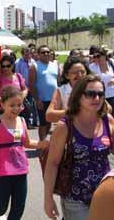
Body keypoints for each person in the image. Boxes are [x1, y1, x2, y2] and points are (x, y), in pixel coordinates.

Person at [44, 75, 113, 220]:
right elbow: (52, 163)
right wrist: (48, 199)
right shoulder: (65, 126)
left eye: (100, 94)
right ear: (79, 96)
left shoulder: (108, 121)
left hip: (104, 194)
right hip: (75, 198)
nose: (96, 98)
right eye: (90, 94)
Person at [0, 86, 48, 220]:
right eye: (12, 105)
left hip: (20, 170)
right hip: (1, 171)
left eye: (19, 105)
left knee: (18, 209)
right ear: (2, 104)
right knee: (0, 208)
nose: (16, 108)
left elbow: (26, 143)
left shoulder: (22, 121)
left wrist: (45, 144)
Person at [46, 56, 90, 122]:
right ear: (67, 75)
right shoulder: (61, 91)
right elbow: (49, 116)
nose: (80, 75)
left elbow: (108, 109)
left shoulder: (92, 88)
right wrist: (74, 112)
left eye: (82, 72)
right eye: (75, 73)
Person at [29, 45, 59, 140]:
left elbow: (58, 82)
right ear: (38, 54)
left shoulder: (55, 65)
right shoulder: (34, 66)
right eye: (43, 52)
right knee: (43, 123)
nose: (46, 54)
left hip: (54, 100)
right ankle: (42, 144)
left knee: (50, 122)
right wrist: (37, 100)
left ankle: (45, 140)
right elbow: (31, 85)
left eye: (47, 52)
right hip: (42, 100)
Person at [15, 46, 37, 127]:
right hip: (23, 88)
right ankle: (26, 122)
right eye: (26, 53)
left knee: (32, 105)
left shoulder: (33, 62)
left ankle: (33, 121)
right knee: (25, 105)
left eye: (29, 53)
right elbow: (17, 75)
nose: (28, 55)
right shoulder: (18, 63)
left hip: (32, 87)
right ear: (22, 54)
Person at [89, 47, 114, 116]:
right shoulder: (92, 67)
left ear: (104, 55)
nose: (97, 58)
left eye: (98, 56)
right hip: (101, 96)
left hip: (112, 95)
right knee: (103, 116)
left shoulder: (112, 62)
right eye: (95, 56)